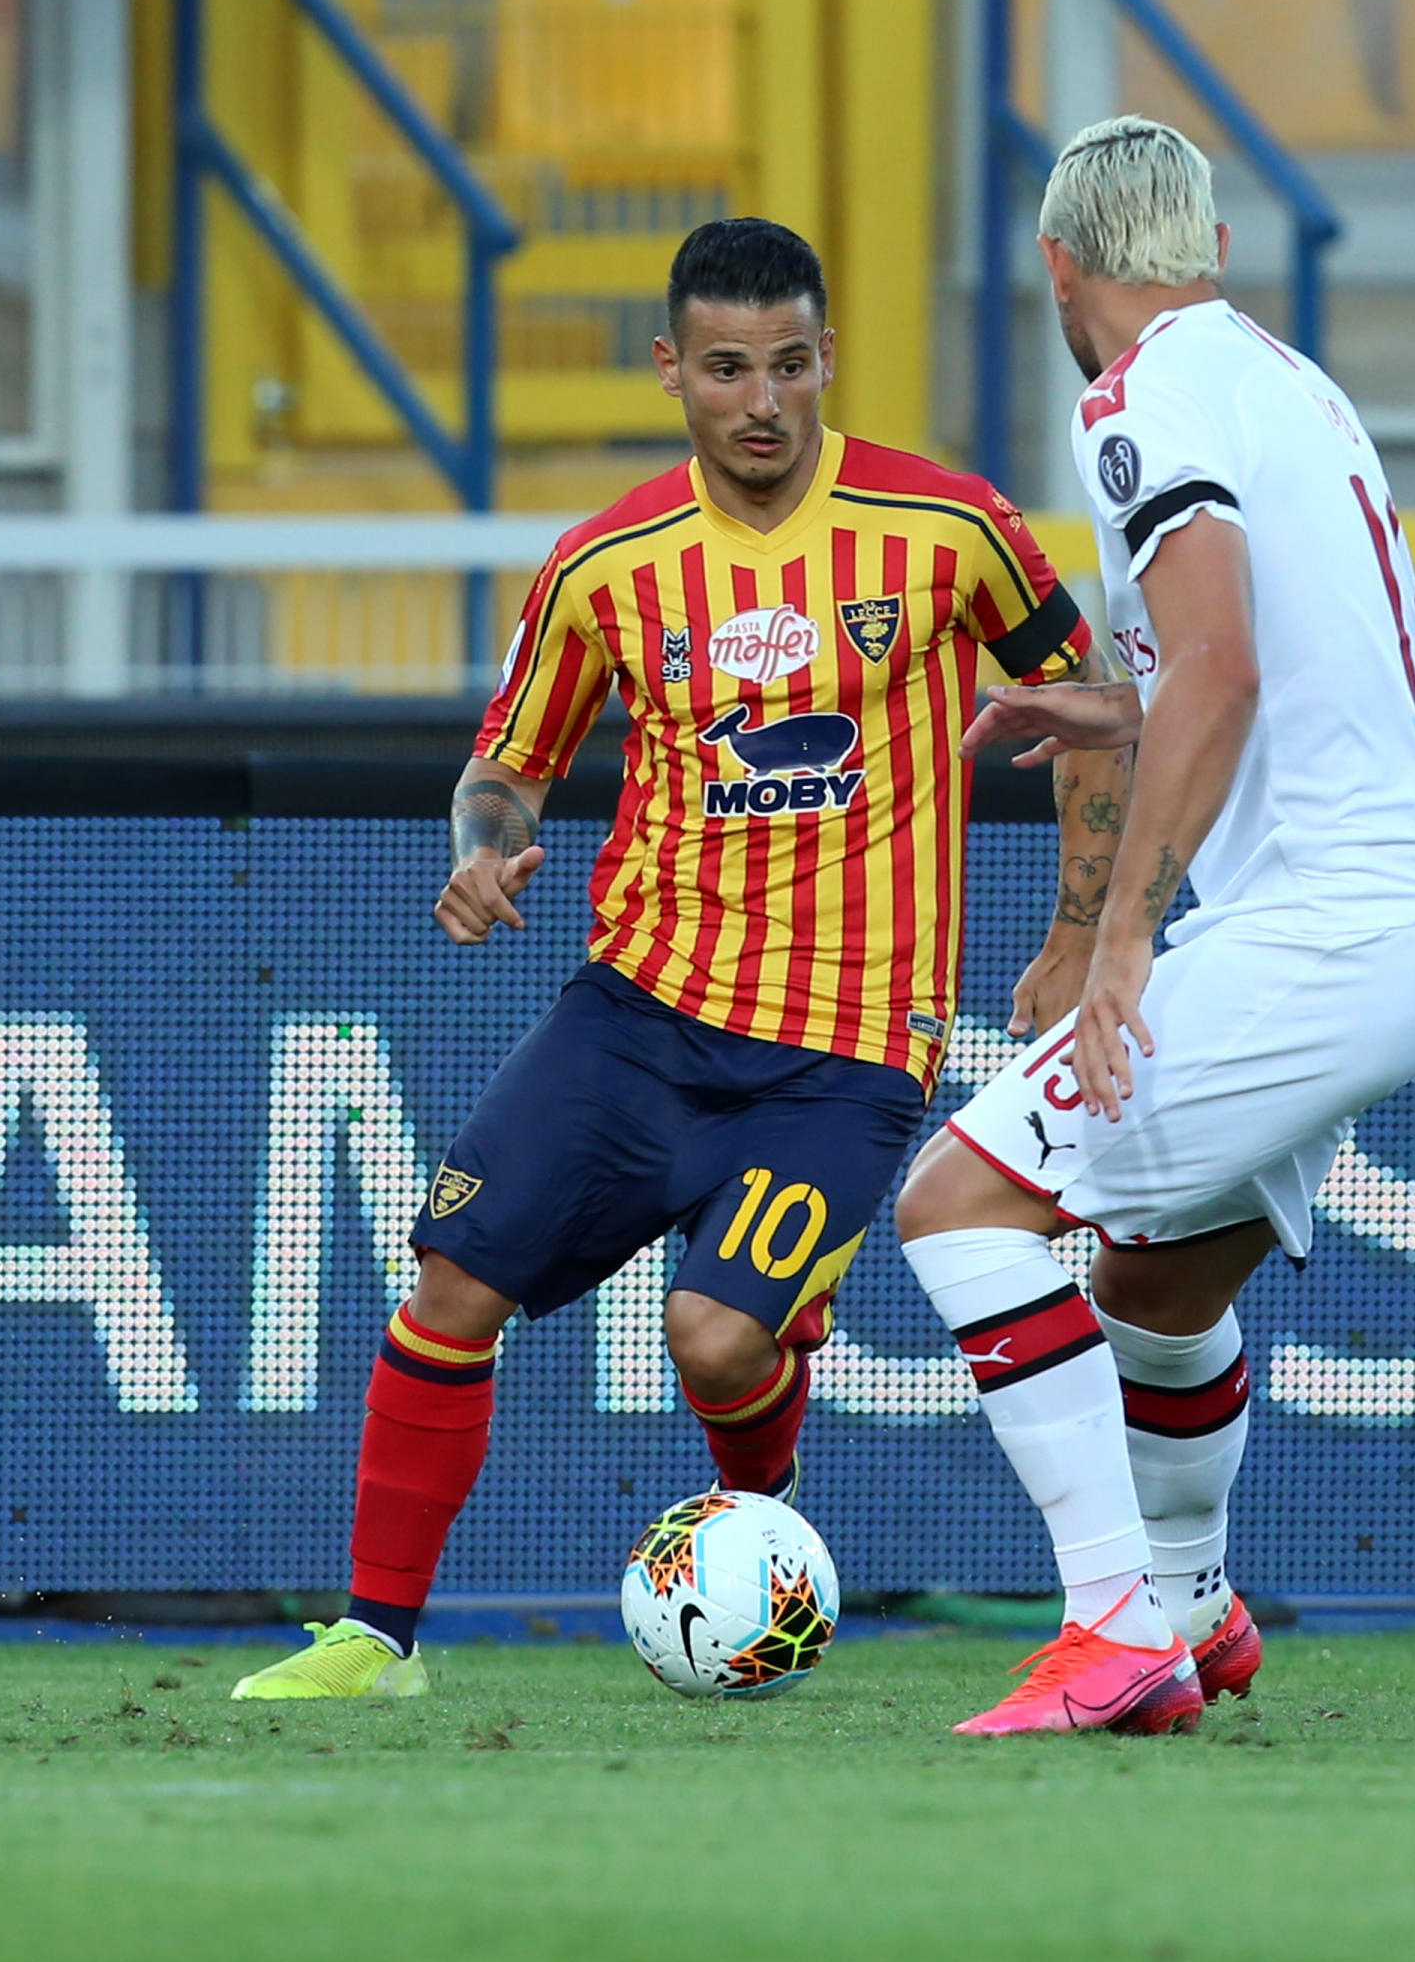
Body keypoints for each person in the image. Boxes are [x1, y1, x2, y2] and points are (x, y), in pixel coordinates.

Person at [234, 216, 1099, 1701]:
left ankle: (759, 1538)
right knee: (447, 1285)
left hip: (843, 1046)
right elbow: (507, 762)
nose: (760, 400)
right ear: (670, 373)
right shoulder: (606, 564)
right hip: (636, 1015)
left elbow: (1092, 706)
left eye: (788, 364)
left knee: (712, 1339)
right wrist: (478, 844)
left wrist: (1080, 936)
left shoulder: (949, 530)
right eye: (724, 369)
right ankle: (373, 1641)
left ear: (827, 358)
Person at [896, 117, 1415, 1737]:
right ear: (1208, 252)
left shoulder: (1134, 400)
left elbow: (1217, 667)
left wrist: (1123, 936)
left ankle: (1110, 1626)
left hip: (1316, 933)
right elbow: (1238, 654)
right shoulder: (1287, 382)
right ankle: (1200, 1612)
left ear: (1058, 267)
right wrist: (1096, 700)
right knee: (1157, 1283)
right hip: (1394, 924)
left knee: (960, 1206)